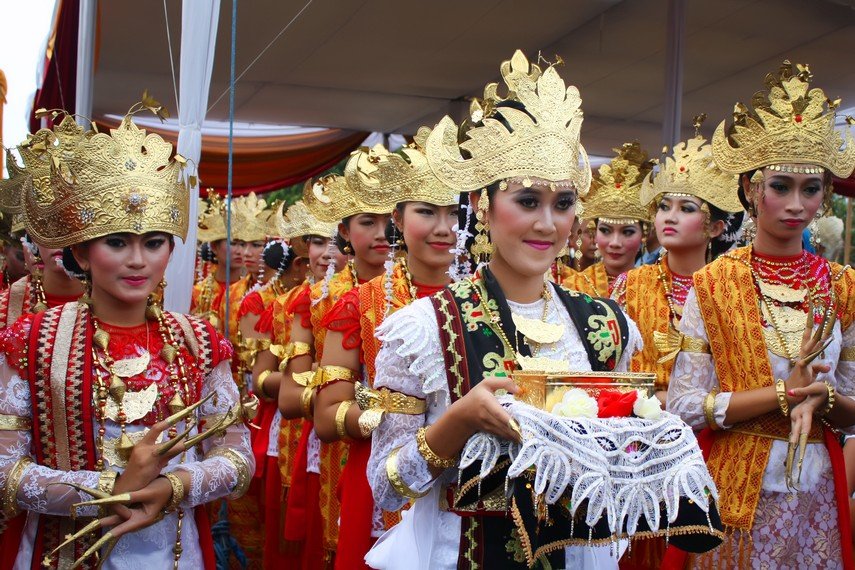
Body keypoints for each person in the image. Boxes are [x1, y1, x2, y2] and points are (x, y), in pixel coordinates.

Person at [366, 50, 647, 569]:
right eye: (527, 200)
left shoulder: (606, 326)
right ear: (482, 204)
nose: (547, 224)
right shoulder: (424, 329)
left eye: (562, 204)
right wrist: (458, 421)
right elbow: (386, 485)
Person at [0, 105, 254, 569]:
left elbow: (237, 457)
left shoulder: (197, 340)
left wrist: (172, 487)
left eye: (154, 242)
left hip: (173, 551)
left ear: (171, 250)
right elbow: (5, 472)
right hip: (64, 550)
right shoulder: (33, 340)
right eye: (117, 242)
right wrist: (109, 491)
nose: (138, 261)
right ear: (80, 249)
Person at [667, 60, 855, 567]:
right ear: (751, 189)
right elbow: (683, 406)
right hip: (732, 488)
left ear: (826, 196)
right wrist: (780, 394)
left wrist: (826, 398)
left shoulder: (844, 286)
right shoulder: (713, 285)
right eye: (781, 186)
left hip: (815, 491)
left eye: (810, 189)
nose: (796, 203)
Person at [312, 142, 458, 569]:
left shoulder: (485, 301)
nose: (444, 227)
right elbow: (325, 416)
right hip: (384, 478)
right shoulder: (360, 304)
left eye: (453, 213)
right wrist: (397, 418)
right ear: (398, 219)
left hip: (467, 482)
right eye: (427, 212)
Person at [277, 154, 393, 568]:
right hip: (338, 449)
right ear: (344, 230)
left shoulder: (434, 297)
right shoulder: (317, 300)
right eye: (367, 222)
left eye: (389, 220)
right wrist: (348, 399)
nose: (383, 234)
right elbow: (291, 400)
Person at [613, 129, 744, 405]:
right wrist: (657, 399)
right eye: (663, 206)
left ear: (716, 227)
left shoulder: (731, 290)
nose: (670, 217)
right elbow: (610, 369)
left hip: (716, 428)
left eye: (686, 209)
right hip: (642, 424)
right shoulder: (631, 285)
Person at [561, 142, 654, 297]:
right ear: (594, 232)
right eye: (605, 230)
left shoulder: (655, 290)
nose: (615, 243)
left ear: (644, 234)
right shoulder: (573, 287)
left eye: (628, 232)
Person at [190, 190, 244, 332]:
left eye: (244, 244)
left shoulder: (252, 293)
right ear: (214, 246)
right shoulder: (197, 294)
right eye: (233, 243)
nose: (240, 251)